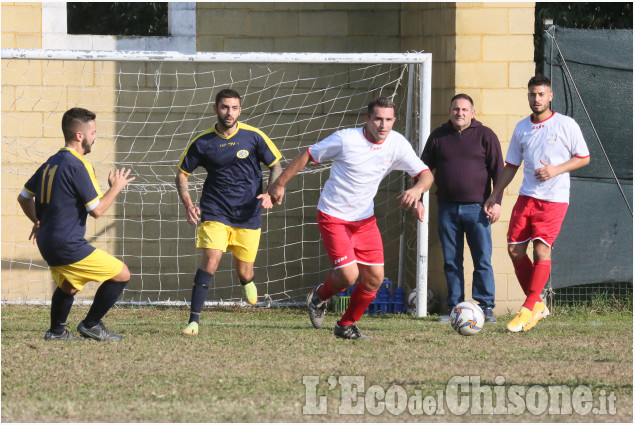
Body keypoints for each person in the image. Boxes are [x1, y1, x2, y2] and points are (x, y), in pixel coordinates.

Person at [268, 97, 434, 340]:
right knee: (349, 276)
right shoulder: (346, 139)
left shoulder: (397, 143)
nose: (383, 125)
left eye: (388, 120)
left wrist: (417, 192)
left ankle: (345, 325)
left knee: (374, 279)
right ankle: (319, 297)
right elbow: (308, 154)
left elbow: (425, 175)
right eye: (378, 119)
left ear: (394, 121)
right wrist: (279, 184)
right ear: (366, 119)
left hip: (364, 220)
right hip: (333, 215)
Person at [17, 107, 135, 341]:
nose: (95, 137)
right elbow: (97, 211)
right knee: (122, 274)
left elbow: (23, 197)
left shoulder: (51, 162)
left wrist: (37, 221)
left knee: (70, 285)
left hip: (47, 242)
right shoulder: (78, 164)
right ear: (79, 136)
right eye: (92, 132)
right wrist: (116, 188)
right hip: (66, 243)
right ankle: (91, 324)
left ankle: (57, 332)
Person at [484, 75, 590, 332]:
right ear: (528, 96)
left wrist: (556, 170)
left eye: (541, 94)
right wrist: (495, 195)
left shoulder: (566, 124)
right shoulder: (522, 127)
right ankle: (538, 305)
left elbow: (584, 157)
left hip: (554, 200)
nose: (536, 99)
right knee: (514, 251)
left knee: (541, 250)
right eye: (532, 94)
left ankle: (528, 306)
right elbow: (511, 166)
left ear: (550, 96)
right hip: (526, 197)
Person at [176, 89, 282, 336]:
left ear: (240, 110)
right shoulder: (203, 142)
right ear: (216, 108)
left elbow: (275, 165)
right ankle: (193, 321)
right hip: (215, 211)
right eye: (225, 107)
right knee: (211, 260)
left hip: (248, 214)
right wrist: (188, 203)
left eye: (234, 108)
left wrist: (271, 191)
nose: (229, 112)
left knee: (244, 270)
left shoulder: (253, 137)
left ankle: (246, 281)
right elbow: (182, 174)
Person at [420, 94, 503, 323]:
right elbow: (423, 169)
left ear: (472, 113)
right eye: (456, 109)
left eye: (465, 109)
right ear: (450, 111)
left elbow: (499, 172)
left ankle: (486, 307)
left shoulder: (486, 135)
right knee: (451, 261)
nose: (460, 113)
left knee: (482, 260)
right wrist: (417, 196)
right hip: (446, 208)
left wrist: (496, 202)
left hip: (478, 209)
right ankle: (454, 307)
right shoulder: (438, 136)